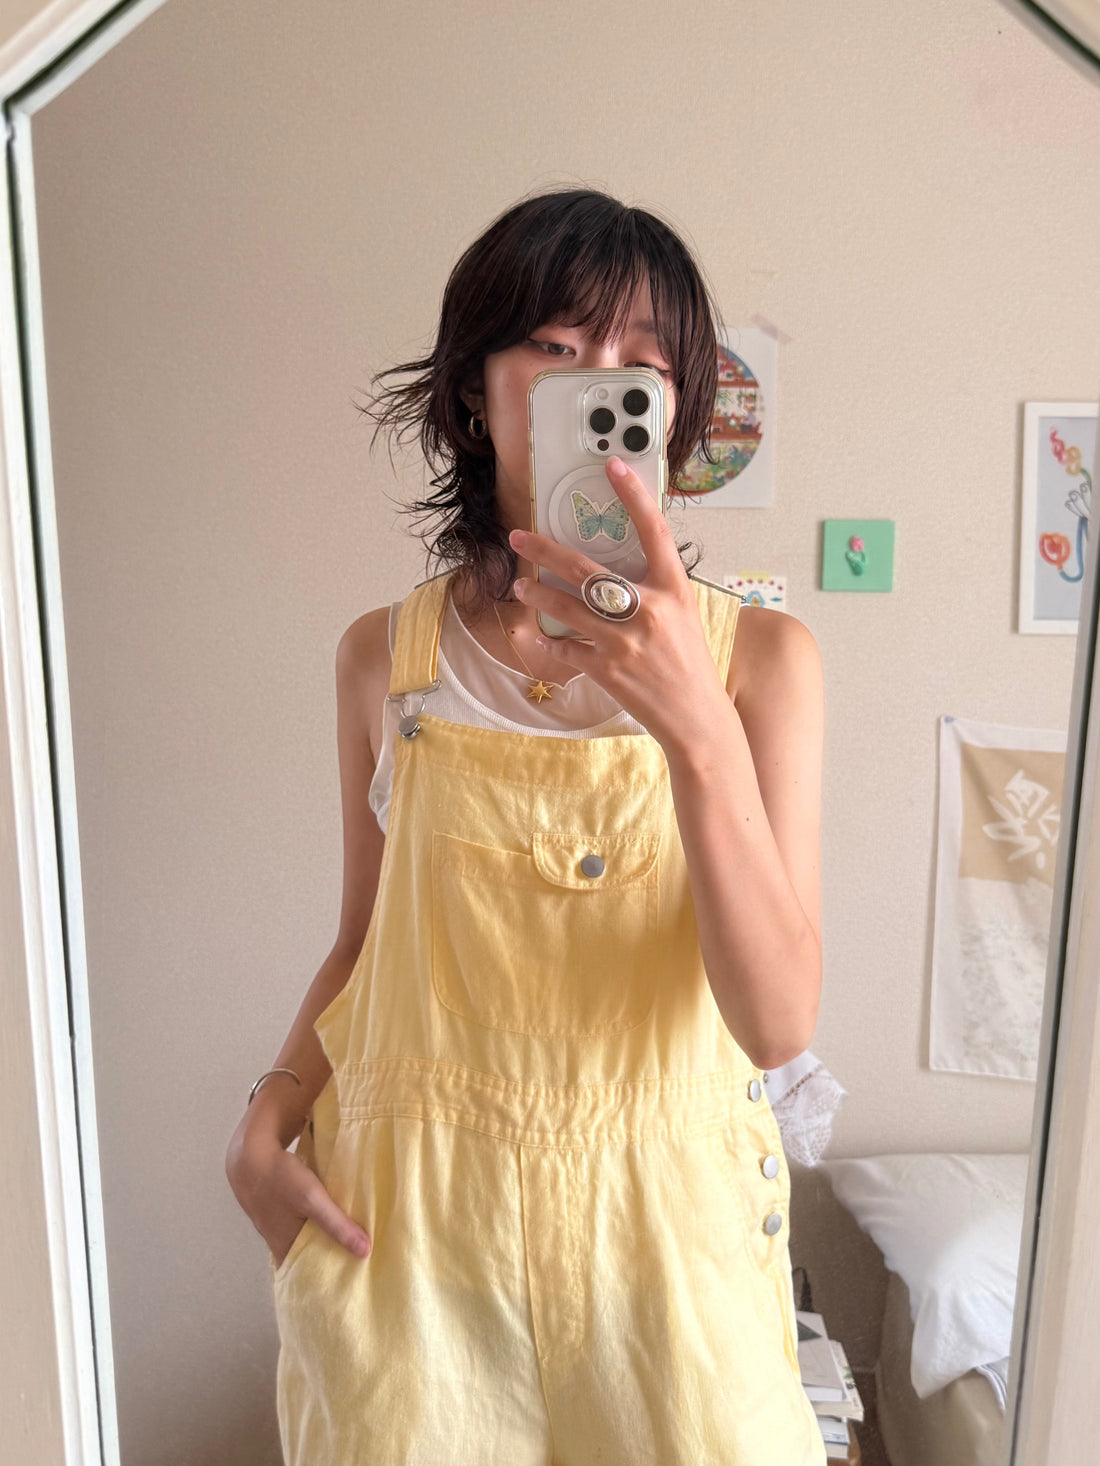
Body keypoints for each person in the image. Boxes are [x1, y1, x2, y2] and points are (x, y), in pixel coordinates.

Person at [225, 188, 826, 1466]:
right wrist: (262, 1119)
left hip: (670, 1260)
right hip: (416, 1241)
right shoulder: (381, 659)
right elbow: (363, 944)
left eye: (639, 364)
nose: (597, 382)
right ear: (471, 390)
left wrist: (695, 725)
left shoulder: (764, 662)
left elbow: (775, 1020)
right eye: (555, 348)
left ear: (678, 409)